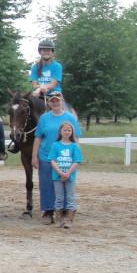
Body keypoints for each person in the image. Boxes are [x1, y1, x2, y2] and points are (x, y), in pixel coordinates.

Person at [31, 89, 82, 225]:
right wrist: (34, 156)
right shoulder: (44, 118)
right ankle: (48, 211)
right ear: (49, 103)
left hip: (64, 157)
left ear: (62, 102)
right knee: (46, 184)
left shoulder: (70, 117)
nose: (55, 103)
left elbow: (76, 137)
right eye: (52, 101)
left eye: (57, 101)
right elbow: (38, 137)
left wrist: (76, 155)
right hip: (46, 155)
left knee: (65, 184)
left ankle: (65, 212)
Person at [48, 120, 83, 228]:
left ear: (72, 132)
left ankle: (69, 219)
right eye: (64, 130)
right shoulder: (55, 145)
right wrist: (60, 173)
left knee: (70, 197)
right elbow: (52, 160)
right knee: (59, 197)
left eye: (69, 130)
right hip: (57, 176)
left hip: (70, 176)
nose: (67, 132)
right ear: (60, 132)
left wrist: (67, 173)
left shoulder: (74, 146)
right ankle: (59, 219)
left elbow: (76, 161)